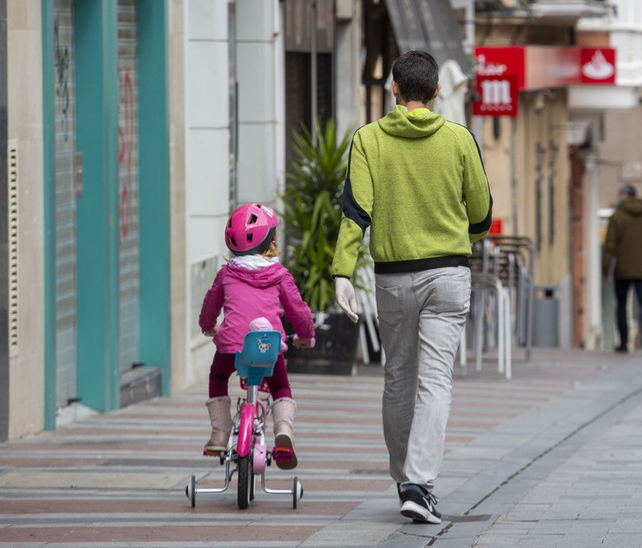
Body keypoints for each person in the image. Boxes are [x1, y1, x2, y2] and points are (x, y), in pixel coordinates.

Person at [329, 50, 493, 524]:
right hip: (448, 275)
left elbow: (355, 212)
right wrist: (450, 228)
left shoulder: (368, 139)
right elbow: (481, 215)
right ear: (438, 91)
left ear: (394, 90)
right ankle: (420, 485)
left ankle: (406, 480)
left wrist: (343, 272)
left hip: (394, 278)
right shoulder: (460, 139)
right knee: (435, 378)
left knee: (398, 377)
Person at [198, 203, 316, 469]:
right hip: (268, 349)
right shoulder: (280, 275)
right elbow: (298, 310)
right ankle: (284, 428)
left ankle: (219, 432)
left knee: (217, 376)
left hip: (231, 350)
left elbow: (210, 306)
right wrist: (305, 336)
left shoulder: (226, 274)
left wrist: (208, 326)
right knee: (280, 387)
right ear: (271, 241)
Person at [602, 185, 642, 353]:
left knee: (621, 305)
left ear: (624, 196)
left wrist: (606, 269)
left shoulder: (617, 218)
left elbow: (610, 246)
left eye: (620, 195)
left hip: (622, 270)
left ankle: (623, 342)